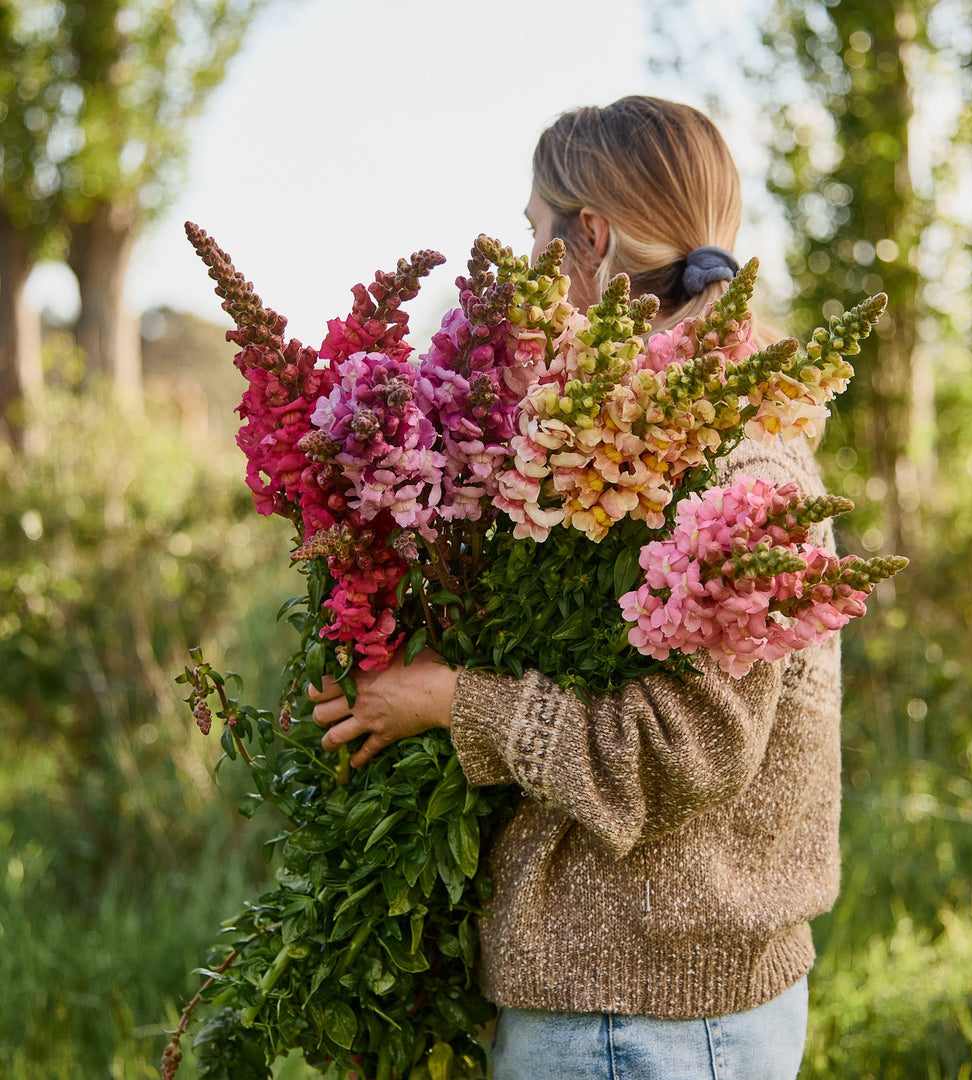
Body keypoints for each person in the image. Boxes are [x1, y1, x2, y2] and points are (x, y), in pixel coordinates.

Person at [309, 96, 841, 1080]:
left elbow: (692, 747)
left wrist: (452, 701)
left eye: (533, 237)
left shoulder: (739, 463)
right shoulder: (636, 432)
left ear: (589, 238)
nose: (523, 278)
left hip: (641, 1012)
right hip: (640, 1003)